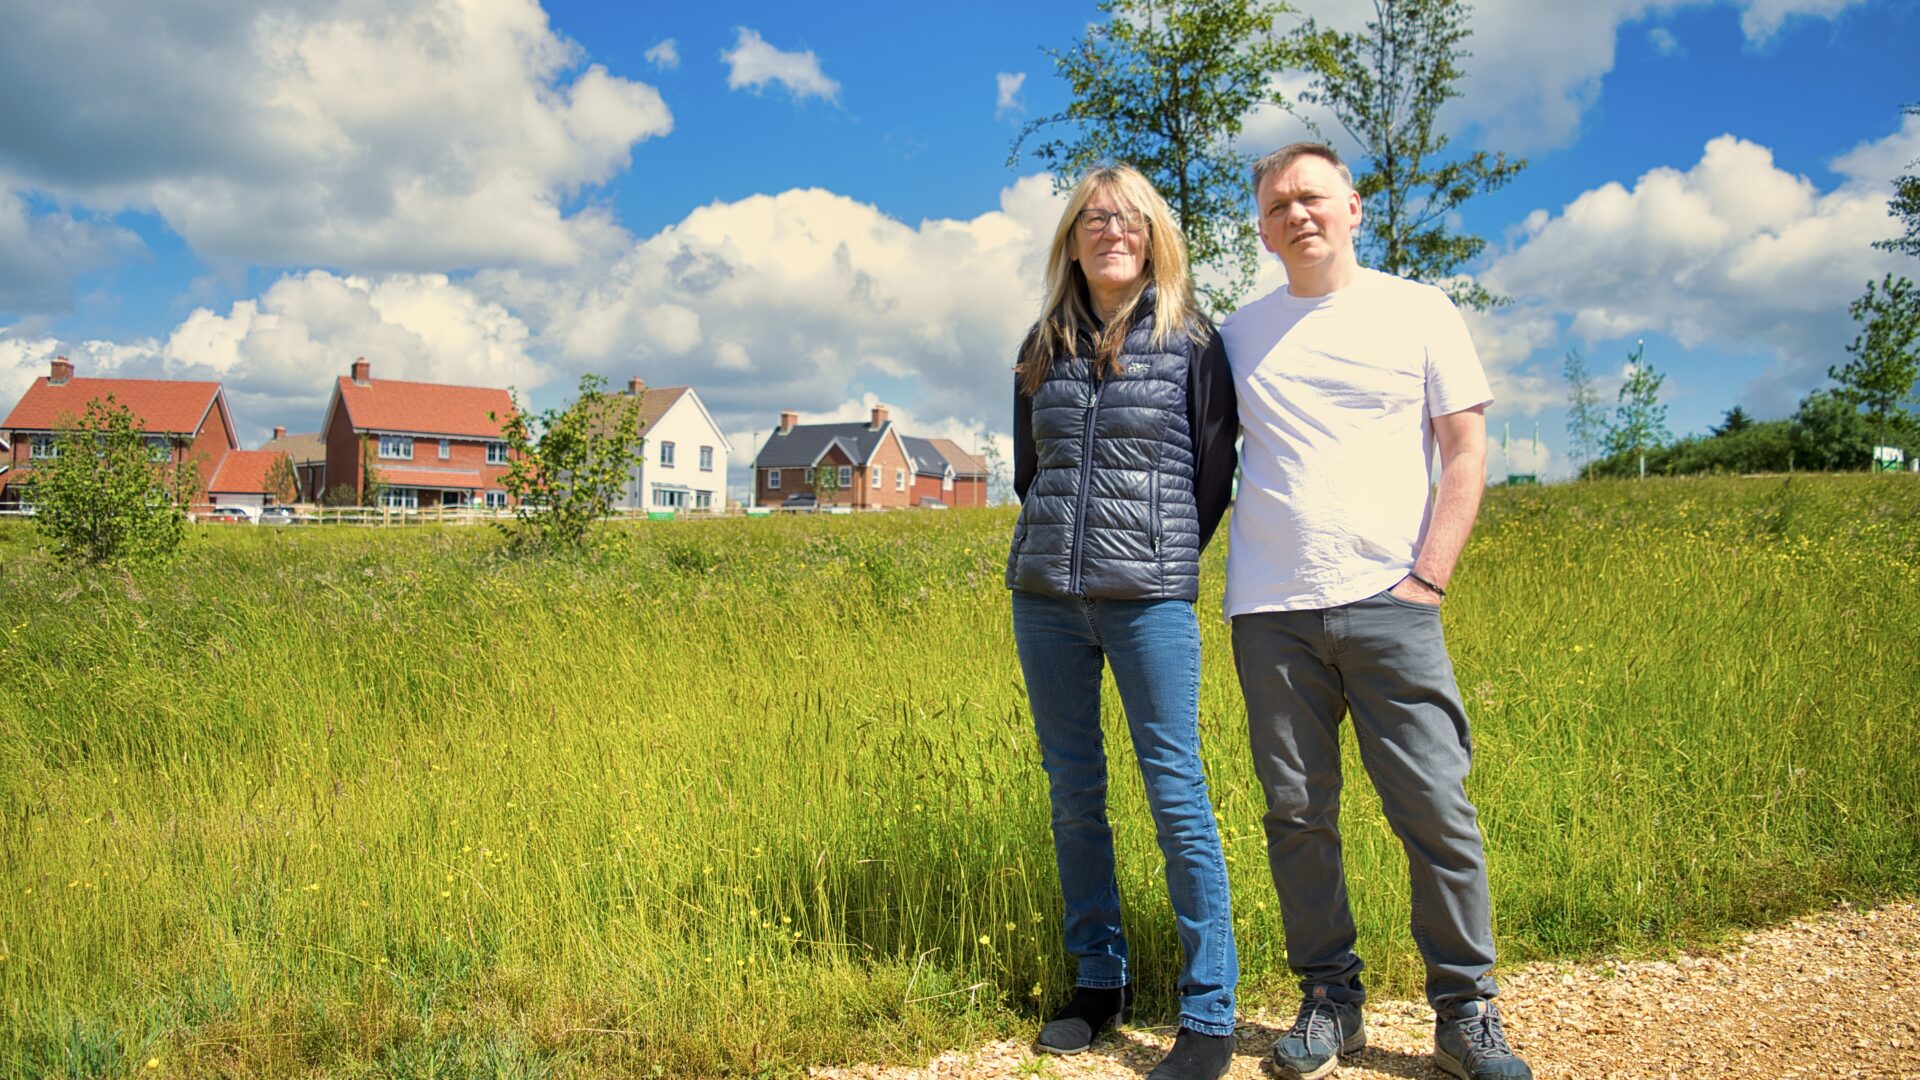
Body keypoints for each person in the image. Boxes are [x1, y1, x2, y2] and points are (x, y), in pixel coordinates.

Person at [1219, 141, 1533, 1080]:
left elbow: (1465, 452)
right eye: (1277, 205)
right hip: (1271, 612)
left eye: (1312, 196)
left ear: (1353, 207)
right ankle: (1330, 1003)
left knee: (1435, 808)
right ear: (1264, 229)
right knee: (1297, 814)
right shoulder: (1236, 334)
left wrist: (1427, 579)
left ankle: (1465, 1011)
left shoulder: (1419, 310)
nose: (1297, 214)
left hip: (1392, 605)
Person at [1007, 164, 1240, 1080]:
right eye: (1093, 219)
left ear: (1154, 237)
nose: (1112, 231)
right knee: (1075, 794)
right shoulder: (1041, 342)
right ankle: (1098, 985)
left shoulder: (1192, 338)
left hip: (1149, 597)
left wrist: (1159, 553)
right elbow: (1032, 472)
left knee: (1175, 791)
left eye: (1129, 219)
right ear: (1072, 239)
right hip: (1046, 601)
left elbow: (1212, 472)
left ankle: (1209, 1009)